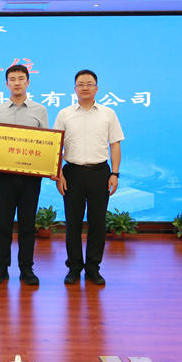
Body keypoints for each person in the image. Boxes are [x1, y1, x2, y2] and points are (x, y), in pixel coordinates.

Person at [53, 69, 124, 285]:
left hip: (100, 173)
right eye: (81, 84)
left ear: (96, 88)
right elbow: (55, 146)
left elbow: (115, 144)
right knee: (72, 222)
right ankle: (74, 267)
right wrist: (58, 174)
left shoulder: (108, 113)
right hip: (72, 173)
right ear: (75, 89)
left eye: (89, 84)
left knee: (97, 223)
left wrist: (114, 173)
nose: (85, 87)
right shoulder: (64, 114)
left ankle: (93, 268)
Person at [0, 64, 49, 286]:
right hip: (4, 176)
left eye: (21, 78)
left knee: (27, 223)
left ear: (28, 82)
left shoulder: (40, 110)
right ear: (7, 84)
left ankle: (26, 268)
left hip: (30, 177)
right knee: (3, 223)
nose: (17, 83)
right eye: (12, 79)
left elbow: (46, 143)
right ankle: (1, 267)